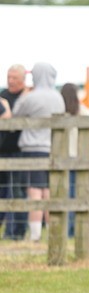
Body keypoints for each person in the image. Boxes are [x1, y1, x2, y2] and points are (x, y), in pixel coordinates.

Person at [10, 63, 66, 243]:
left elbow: (16, 114)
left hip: (32, 149)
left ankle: (35, 235)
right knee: (48, 191)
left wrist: (25, 94)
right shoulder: (58, 98)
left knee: (34, 192)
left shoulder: (31, 97)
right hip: (52, 148)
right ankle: (52, 232)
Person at [60, 83, 89, 238]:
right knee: (81, 195)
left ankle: (67, 229)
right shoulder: (86, 112)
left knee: (64, 195)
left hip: (63, 160)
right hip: (82, 160)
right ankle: (78, 229)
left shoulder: (60, 113)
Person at [0, 64, 28, 240]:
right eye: (9, 77)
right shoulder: (3, 95)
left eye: (14, 78)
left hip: (20, 151)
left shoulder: (27, 97)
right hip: (2, 150)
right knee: (2, 191)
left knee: (17, 191)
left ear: (22, 79)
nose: (10, 81)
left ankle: (16, 232)